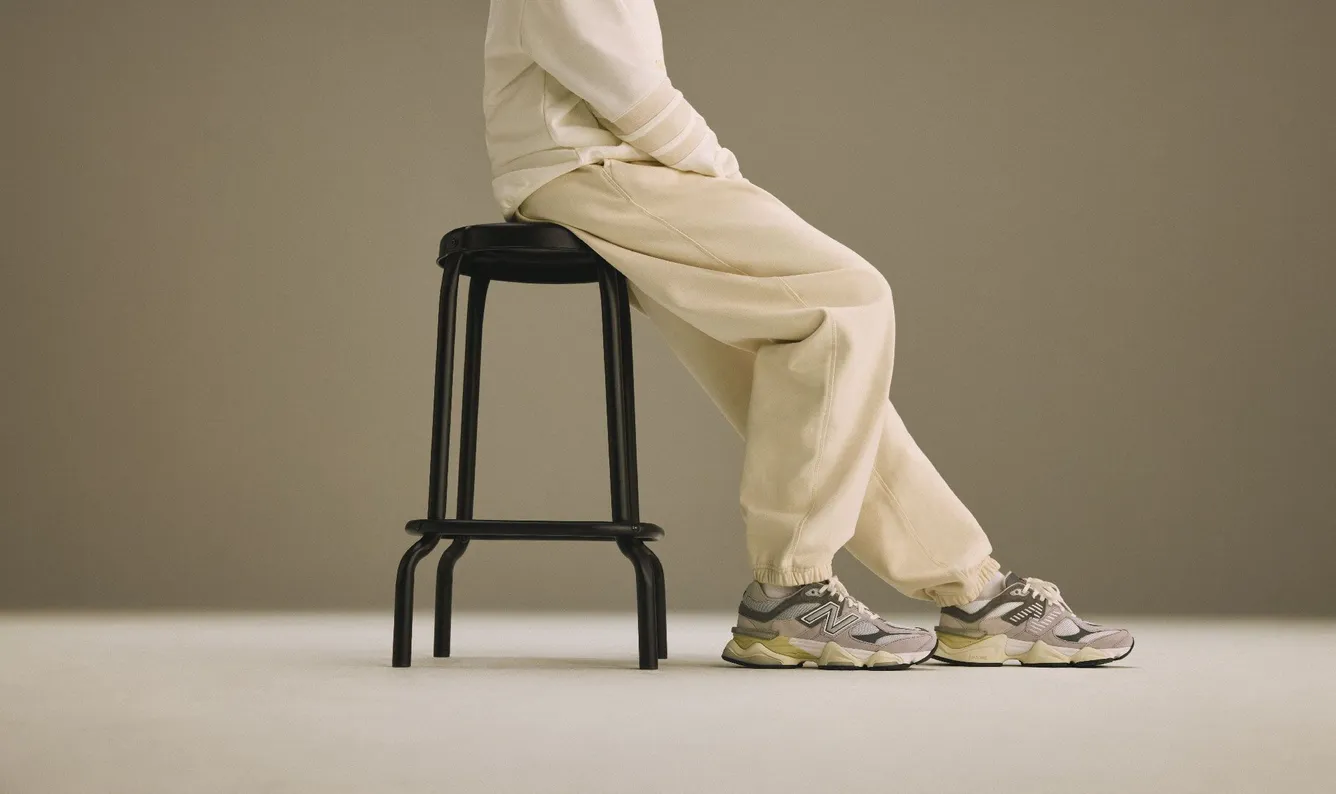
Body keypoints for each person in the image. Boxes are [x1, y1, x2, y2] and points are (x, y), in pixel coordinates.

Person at [482, 0, 1134, 668]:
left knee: (817, 371)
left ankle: (971, 589)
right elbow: (623, 86)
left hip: (603, 166)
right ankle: (790, 592)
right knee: (845, 300)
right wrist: (718, 170)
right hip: (594, 168)